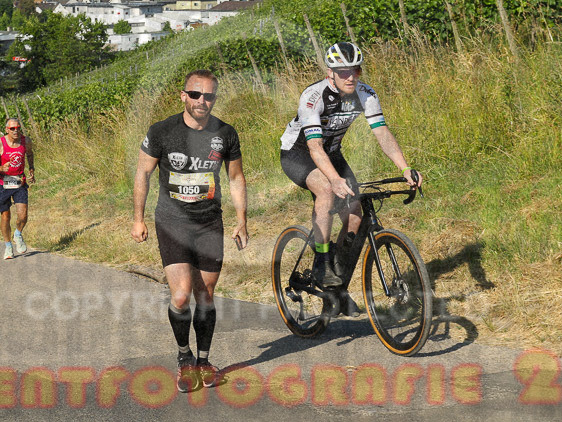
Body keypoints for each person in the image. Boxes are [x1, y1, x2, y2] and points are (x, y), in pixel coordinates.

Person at [279, 41, 420, 316]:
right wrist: (333, 180)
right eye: (342, 71)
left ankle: (336, 287)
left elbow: (382, 133)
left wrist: (405, 168)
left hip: (331, 153)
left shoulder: (365, 94)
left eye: (354, 70)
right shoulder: (313, 96)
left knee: (356, 214)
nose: (349, 76)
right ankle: (321, 260)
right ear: (330, 72)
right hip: (299, 153)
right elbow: (314, 148)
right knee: (327, 191)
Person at [132, 69, 248, 393]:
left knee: (205, 295)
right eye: (195, 94)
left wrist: (242, 219)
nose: (202, 101)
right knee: (181, 295)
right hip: (172, 221)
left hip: (210, 222)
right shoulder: (161, 131)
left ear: (215, 98)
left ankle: (204, 360)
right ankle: (184, 357)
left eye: (209, 95)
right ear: (183, 96)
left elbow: (236, 178)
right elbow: (143, 173)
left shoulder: (225, 133)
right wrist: (138, 218)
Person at [0, 118, 34, 260]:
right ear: (7, 129)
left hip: (19, 181)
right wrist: (1, 168)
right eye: (12, 128)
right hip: (2, 183)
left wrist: (32, 169)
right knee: (6, 216)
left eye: (18, 128)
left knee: (23, 215)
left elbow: (30, 154)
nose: (16, 131)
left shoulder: (26, 141)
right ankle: (8, 246)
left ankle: (18, 234)